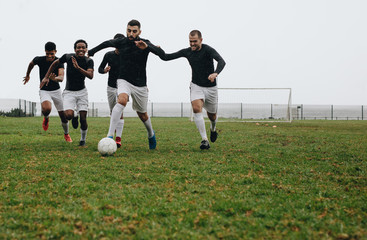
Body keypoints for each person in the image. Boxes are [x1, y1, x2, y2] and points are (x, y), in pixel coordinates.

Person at [88, 19, 164, 150]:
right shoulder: (121, 42)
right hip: (123, 80)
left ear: (139, 31)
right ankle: (110, 136)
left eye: (134, 31)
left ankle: (151, 134)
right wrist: (92, 51)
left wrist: (149, 47)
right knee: (121, 100)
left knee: (142, 114)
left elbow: (163, 55)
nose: (131, 33)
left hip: (140, 84)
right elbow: (106, 43)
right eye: (129, 30)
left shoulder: (144, 43)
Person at [159, 30, 226, 150]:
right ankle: (204, 140)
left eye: (195, 41)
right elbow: (166, 57)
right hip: (196, 86)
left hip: (211, 88)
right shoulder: (187, 52)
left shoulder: (208, 50)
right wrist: (156, 49)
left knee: (212, 116)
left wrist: (215, 73)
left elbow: (222, 61)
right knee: (196, 108)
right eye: (190, 41)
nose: (192, 44)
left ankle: (213, 129)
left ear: (201, 40)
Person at [41, 39, 94, 146]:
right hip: (69, 92)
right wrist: (46, 77)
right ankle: (74, 115)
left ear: (86, 49)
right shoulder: (68, 57)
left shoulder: (89, 61)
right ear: (75, 49)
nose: (81, 49)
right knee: (68, 116)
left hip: (82, 92)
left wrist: (78, 68)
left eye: (83, 47)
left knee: (83, 119)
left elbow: (90, 76)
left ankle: (82, 140)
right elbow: (55, 64)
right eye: (78, 47)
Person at [23, 41, 72, 142]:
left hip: (56, 91)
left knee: (63, 117)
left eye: (52, 54)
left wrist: (55, 79)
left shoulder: (59, 61)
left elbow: (61, 77)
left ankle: (66, 134)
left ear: (55, 52)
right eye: (47, 53)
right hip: (44, 90)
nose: (49, 56)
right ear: (45, 52)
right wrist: (28, 75)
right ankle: (46, 117)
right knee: (46, 109)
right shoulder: (39, 59)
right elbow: (31, 63)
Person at [98, 33, 125, 148]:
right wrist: (105, 70)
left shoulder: (127, 55)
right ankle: (111, 136)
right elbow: (99, 69)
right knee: (113, 112)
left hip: (123, 86)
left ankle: (117, 138)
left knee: (120, 111)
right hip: (111, 87)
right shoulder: (108, 55)